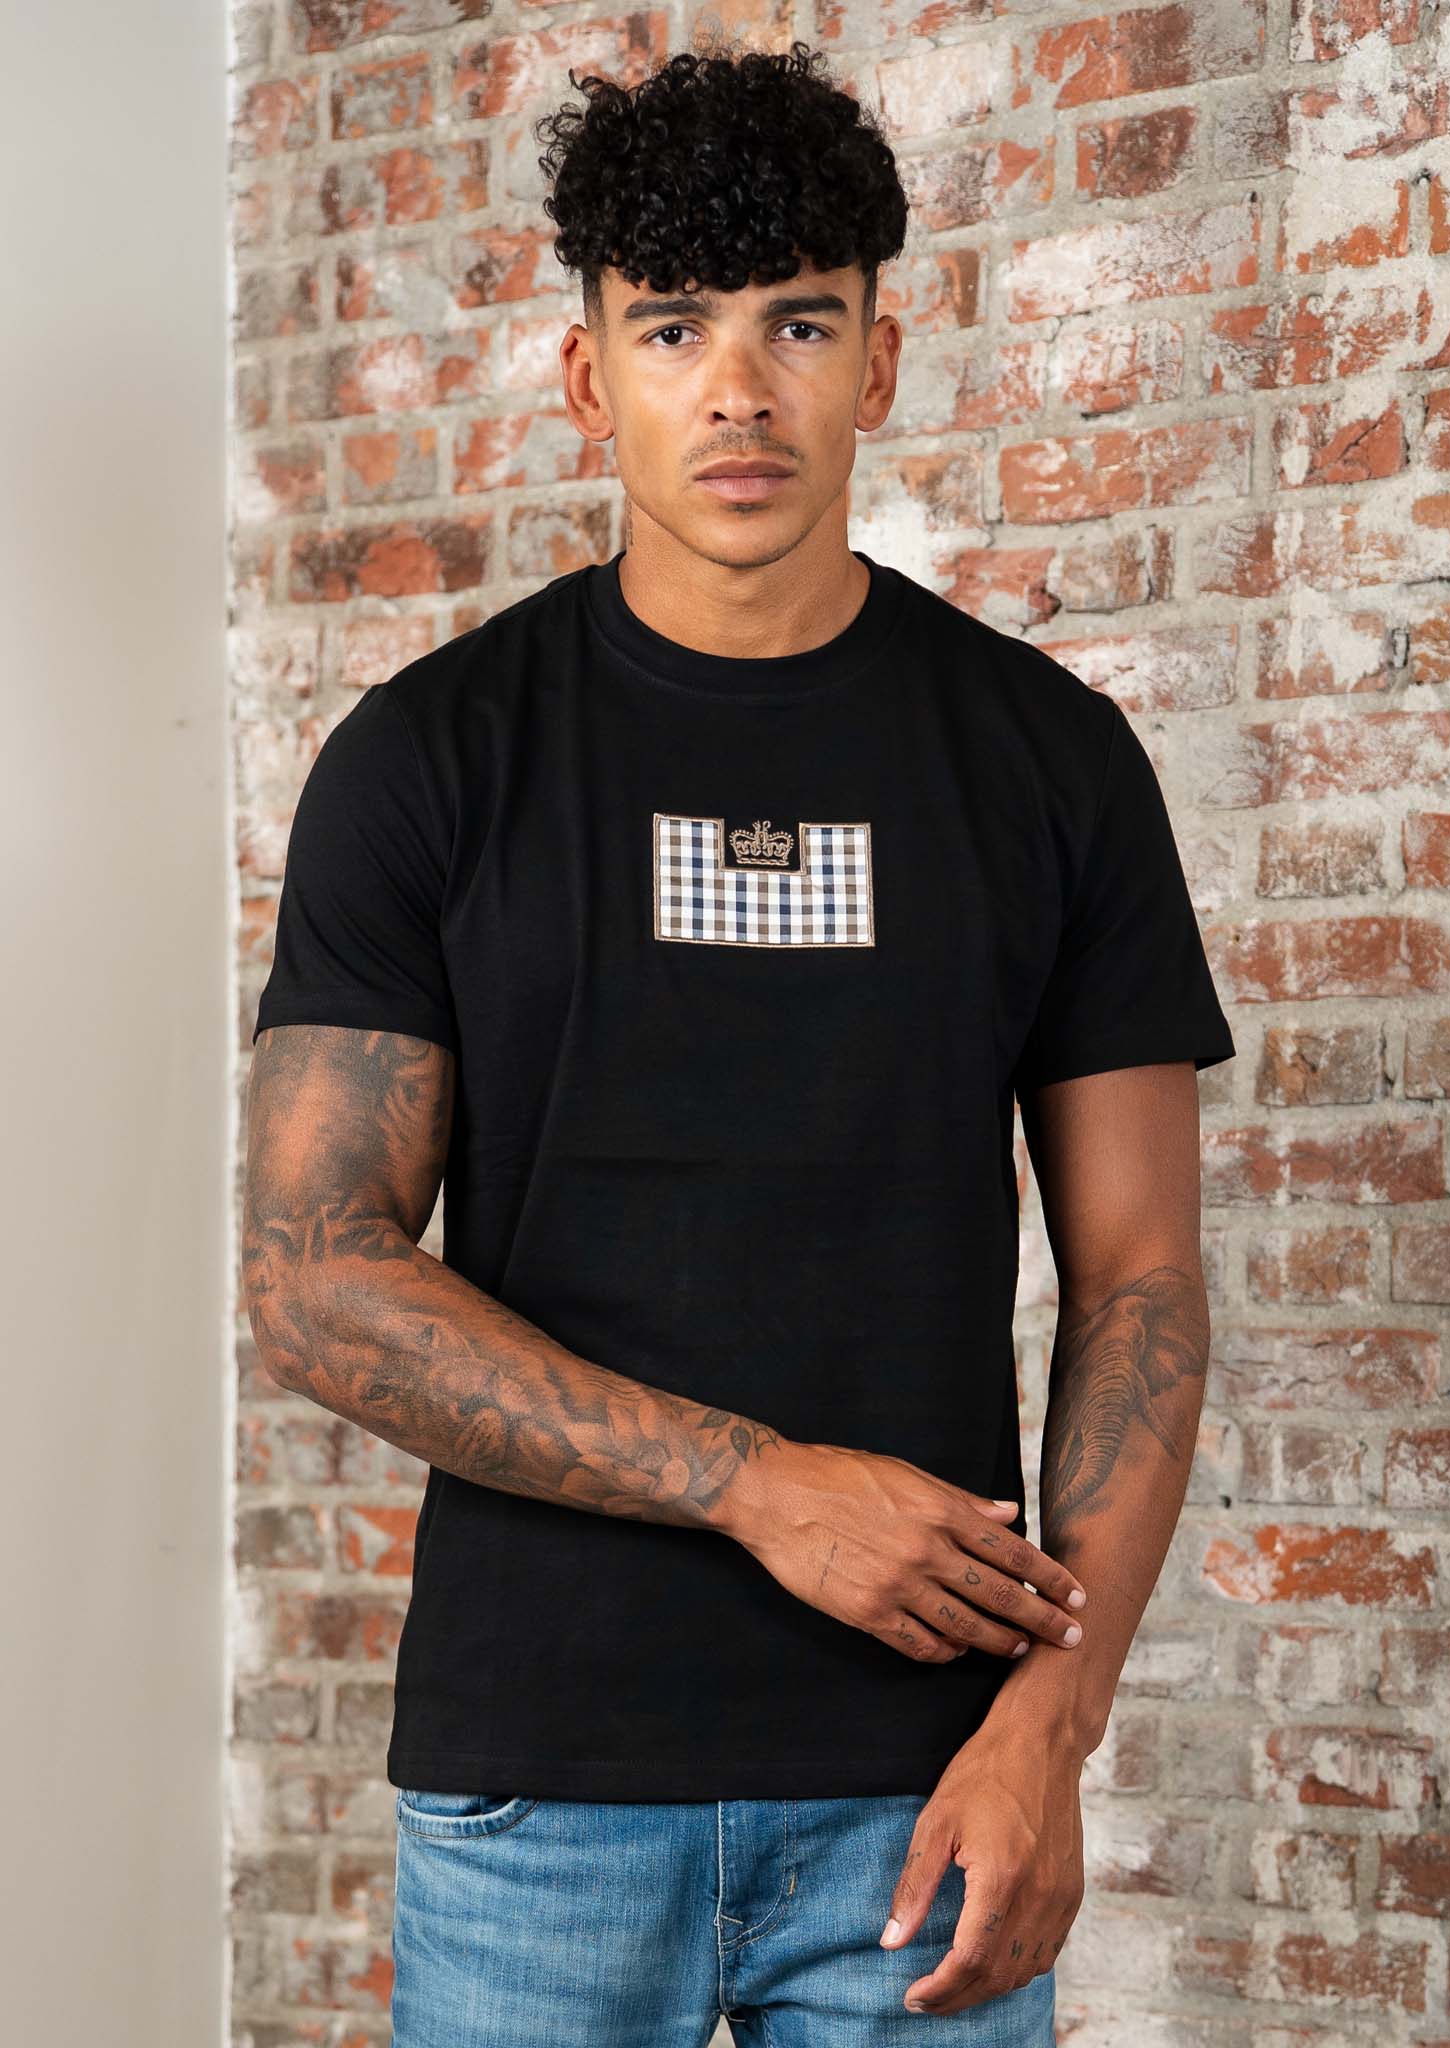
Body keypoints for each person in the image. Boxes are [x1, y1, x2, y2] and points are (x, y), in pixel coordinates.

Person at [243, 33, 1236, 2046]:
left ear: (878, 361)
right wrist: (757, 1486)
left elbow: (1138, 1277)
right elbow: (313, 1279)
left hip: (926, 1791)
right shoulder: (431, 760)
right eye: (672, 326)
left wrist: (1047, 1725)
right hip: (537, 1789)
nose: (736, 389)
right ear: (584, 373)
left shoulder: (1046, 760)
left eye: (797, 321)